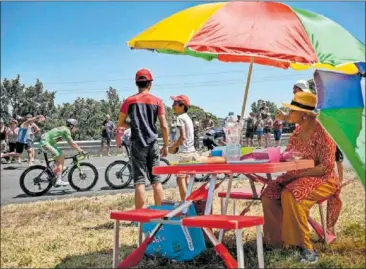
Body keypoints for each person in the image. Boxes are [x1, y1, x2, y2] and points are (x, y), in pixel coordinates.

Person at [261, 92, 341, 263]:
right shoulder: (297, 132)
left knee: (292, 194)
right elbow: (290, 155)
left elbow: (325, 167)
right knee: (269, 193)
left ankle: (304, 248)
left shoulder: (323, 132)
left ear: (304, 115)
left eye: (292, 111)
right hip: (296, 175)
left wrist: (298, 174)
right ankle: (276, 243)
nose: (288, 113)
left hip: (323, 178)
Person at [118, 69, 169, 209]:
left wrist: (133, 123)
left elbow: (120, 123)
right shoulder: (158, 101)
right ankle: (161, 215)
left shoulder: (129, 101)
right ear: (150, 84)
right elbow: (164, 126)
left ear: (136, 84)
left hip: (137, 143)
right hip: (153, 143)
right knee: (156, 181)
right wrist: (165, 145)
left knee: (139, 182)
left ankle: (139, 218)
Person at [39, 119, 86, 186]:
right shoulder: (66, 131)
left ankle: (54, 173)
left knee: (60, 156)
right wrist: (81, 151)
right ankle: (59, 180)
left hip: (46, 143)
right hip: (45, 143)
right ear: (71, 126)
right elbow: (72, 143)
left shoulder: (64, 129)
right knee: (60, 156)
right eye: (76, 126)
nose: (76, 128)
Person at [168, 95, 198, 200]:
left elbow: (182, 137)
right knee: (186, 181)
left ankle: (185, 205)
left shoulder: (180, 118)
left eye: (175, 103)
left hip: (183, 153)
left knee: (180, 181)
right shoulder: (187, 118)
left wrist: (173, 147)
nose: (172, 106)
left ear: (182, 106)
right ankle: (188, 202)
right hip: (191, 152)